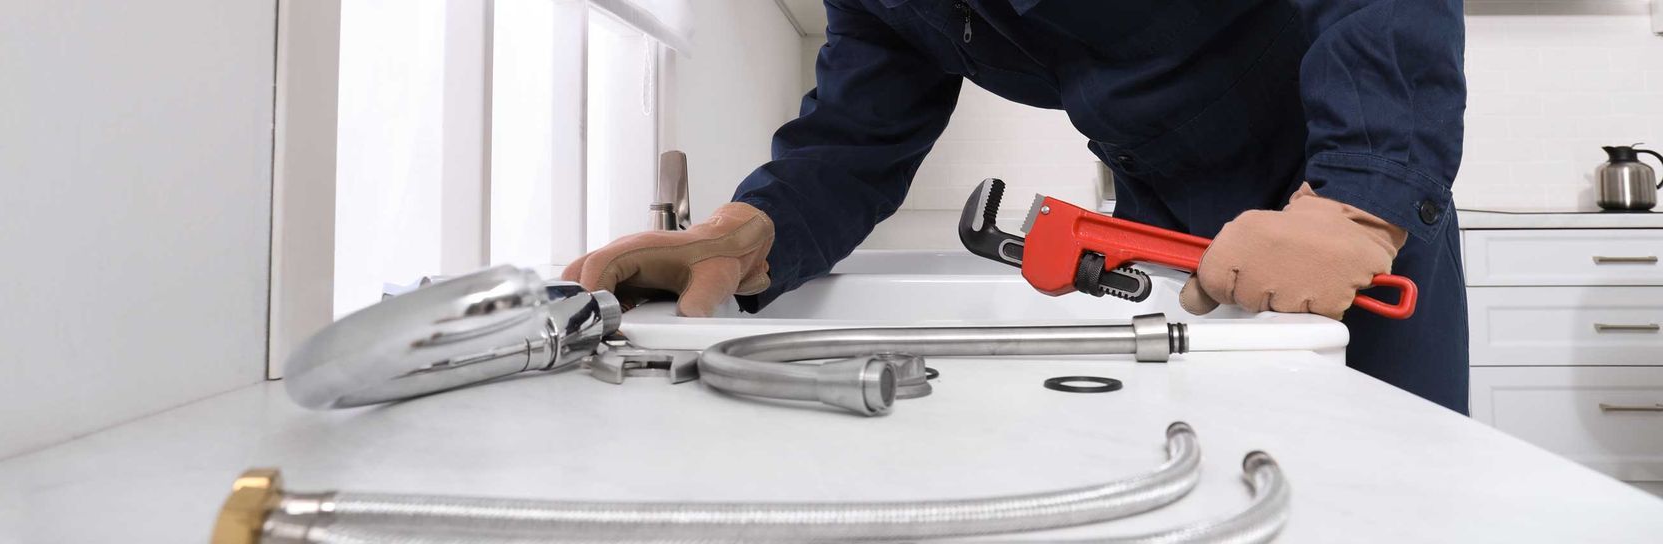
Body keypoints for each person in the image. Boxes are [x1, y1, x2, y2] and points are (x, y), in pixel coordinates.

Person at [563, 0, 1469, 413]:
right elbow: (853, 135)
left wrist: (1355, 201)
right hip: (1163, 239)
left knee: (1385, 502)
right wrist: (747, 230)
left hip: (1341, 206)